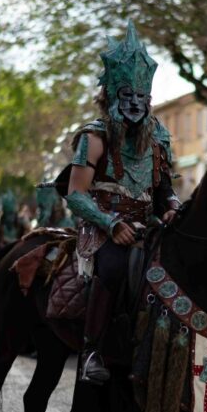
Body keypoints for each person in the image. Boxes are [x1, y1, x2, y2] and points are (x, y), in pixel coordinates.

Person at [60, 20, 180, 383]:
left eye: (142, 97)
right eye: (128, 95)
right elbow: (75, 194)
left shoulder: (158, 140)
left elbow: (164, 189)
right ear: (112, 95)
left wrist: (173, 207)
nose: (135, 104)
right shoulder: (93, 138)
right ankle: (92, 351)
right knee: (112, 267)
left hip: (148, 228)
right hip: (103, 229)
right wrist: (111, 224)